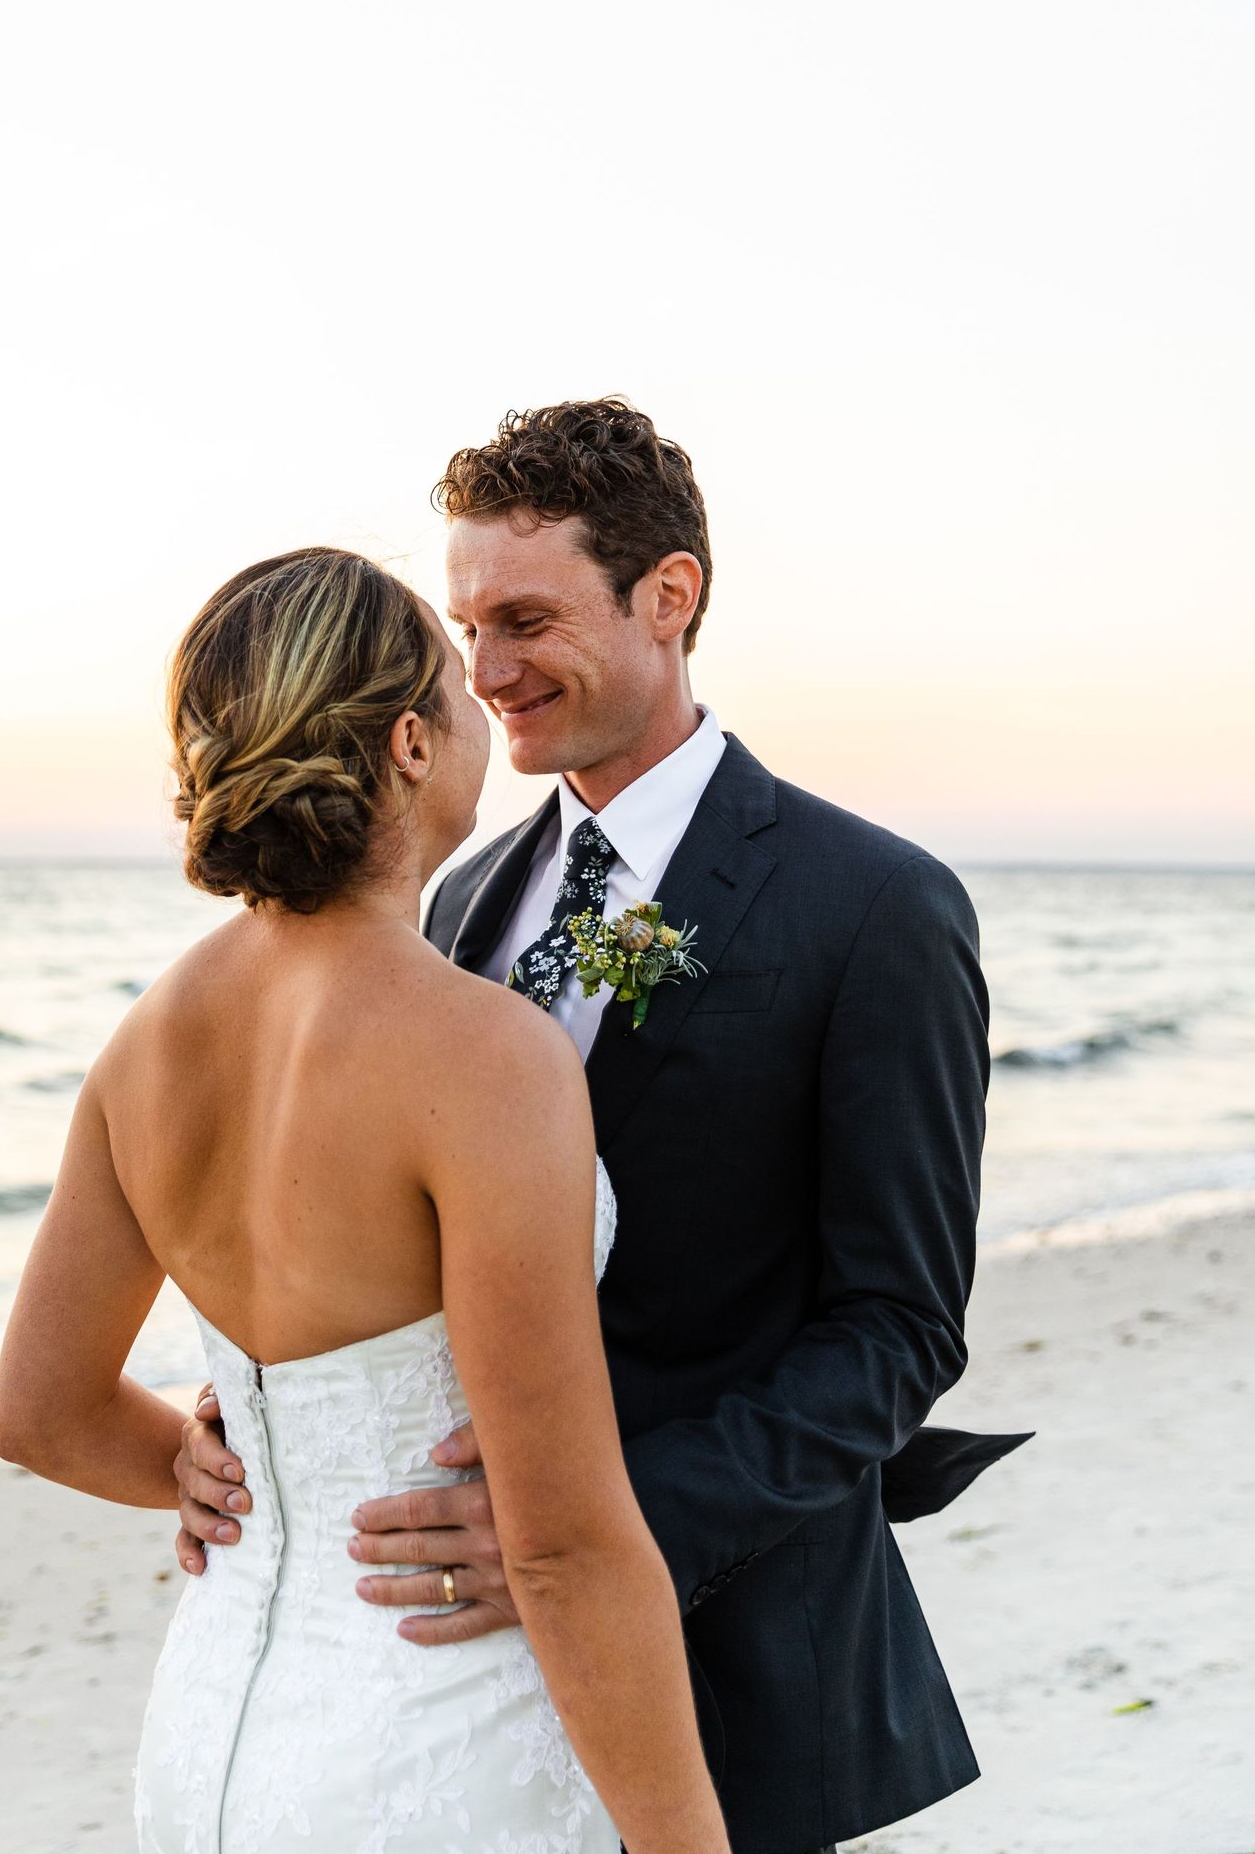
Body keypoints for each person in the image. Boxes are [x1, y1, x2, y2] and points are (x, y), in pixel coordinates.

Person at [175, 401, 1029, 1854]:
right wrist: (272, 1392)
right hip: (464, 1681)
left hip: (737, 1642)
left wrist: (594, 1524)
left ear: (669, 598)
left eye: (524, 617)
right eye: (465, 629)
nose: (483, 672)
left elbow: (897, 1328)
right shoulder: (457, 900)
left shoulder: (875, 907)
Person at [0, 543, 730, 1854]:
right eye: (456, 680)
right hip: (434, 1749)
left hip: (207, 1742)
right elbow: (560, 1546)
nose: (479, 700)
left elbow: (40, 1413)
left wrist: (212, 1470)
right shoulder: (485, 1057)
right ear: (406, 742)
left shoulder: (146, 1043)